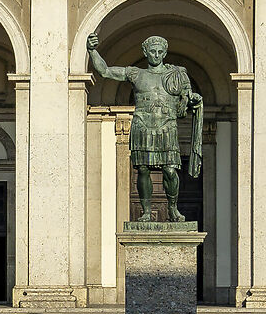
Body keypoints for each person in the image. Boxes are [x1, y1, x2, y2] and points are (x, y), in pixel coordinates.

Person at [87, 31, 203, 221]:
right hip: (142, 124)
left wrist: (194, 99)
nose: (156, 55)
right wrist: (92, 51)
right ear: (145, 52)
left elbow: (187, 98)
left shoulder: (177, 75)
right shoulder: (136, 73)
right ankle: (147, 211)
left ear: (164, 53)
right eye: (152, 51)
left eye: (159, 52)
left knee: (170, 170)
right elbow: (105, 71)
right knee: (142, 169)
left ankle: (173, 209)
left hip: (167, 125)